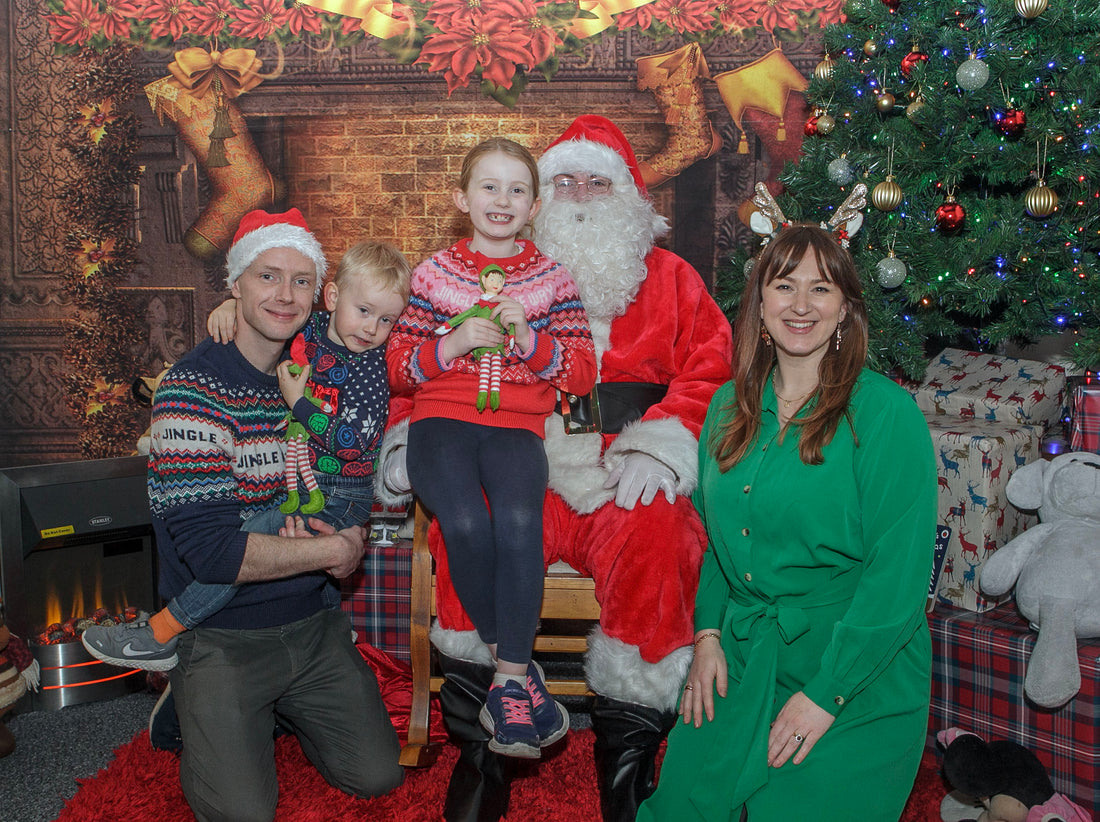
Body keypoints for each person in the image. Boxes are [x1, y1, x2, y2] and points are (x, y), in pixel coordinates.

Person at [377, 116, 733, 821]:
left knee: (660, 535)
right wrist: (406, 439)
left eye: (597, 181)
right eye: (564, 180)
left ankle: (627, 766)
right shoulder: (488, 272)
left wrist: (660, 444)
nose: (580, 195)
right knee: (466, 528)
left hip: (621, 471)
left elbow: (713, 372)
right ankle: (484, 748)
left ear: (629, 196)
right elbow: (420, 369)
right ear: (539, 198)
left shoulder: (674, 280)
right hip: (516, 455)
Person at [638, 223, 937, 822]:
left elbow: (897, 578)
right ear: (760, 302)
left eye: (821, 289)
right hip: (743, 652)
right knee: (678, 809)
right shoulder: (726, 407)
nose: (801, 305)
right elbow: (715, 542)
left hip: (856, 665)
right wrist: (707, 636)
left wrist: (827, 695)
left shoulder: (886, 414)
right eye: (784, 286)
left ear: (846, 309)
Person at [132, 208, 403, 822]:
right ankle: (190, 693)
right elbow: (214, 554)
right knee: (244, 813)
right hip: (223, 632)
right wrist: (335, 550)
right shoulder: (191, 389)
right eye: (267, 276)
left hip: (313, 622)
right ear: (235, 284)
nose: (285, 294)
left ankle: (275, 709)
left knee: (378, 776)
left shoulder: (326, 363)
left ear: (321, 295)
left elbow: (353, 456)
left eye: (300, 280)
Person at [81, 240, 412, 672]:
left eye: (385, 320)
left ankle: (165, 629)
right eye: (363, 311)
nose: (370, 328)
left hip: (340, 490)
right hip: (306, 492)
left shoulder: (370, 368)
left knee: (262, 528)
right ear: (332, 299)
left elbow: (351, 442)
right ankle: (178, 636)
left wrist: (299, 405)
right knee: (262, 538)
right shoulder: (313, 331)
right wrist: (230, 308)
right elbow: (274, 314)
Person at [386, 137, 598, 761]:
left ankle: (507, 681)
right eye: (489, 186)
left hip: (517, 427)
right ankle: (520, 671)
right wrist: (448, 347)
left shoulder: (553, 279)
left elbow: (582, 373)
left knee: (519, 523)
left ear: (534, 206)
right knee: (465, 524)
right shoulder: (432, 274)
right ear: (462, 199)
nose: (502, 200)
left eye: (516, 189)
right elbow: (398, 366)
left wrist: (530, 341)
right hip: (440, 423)